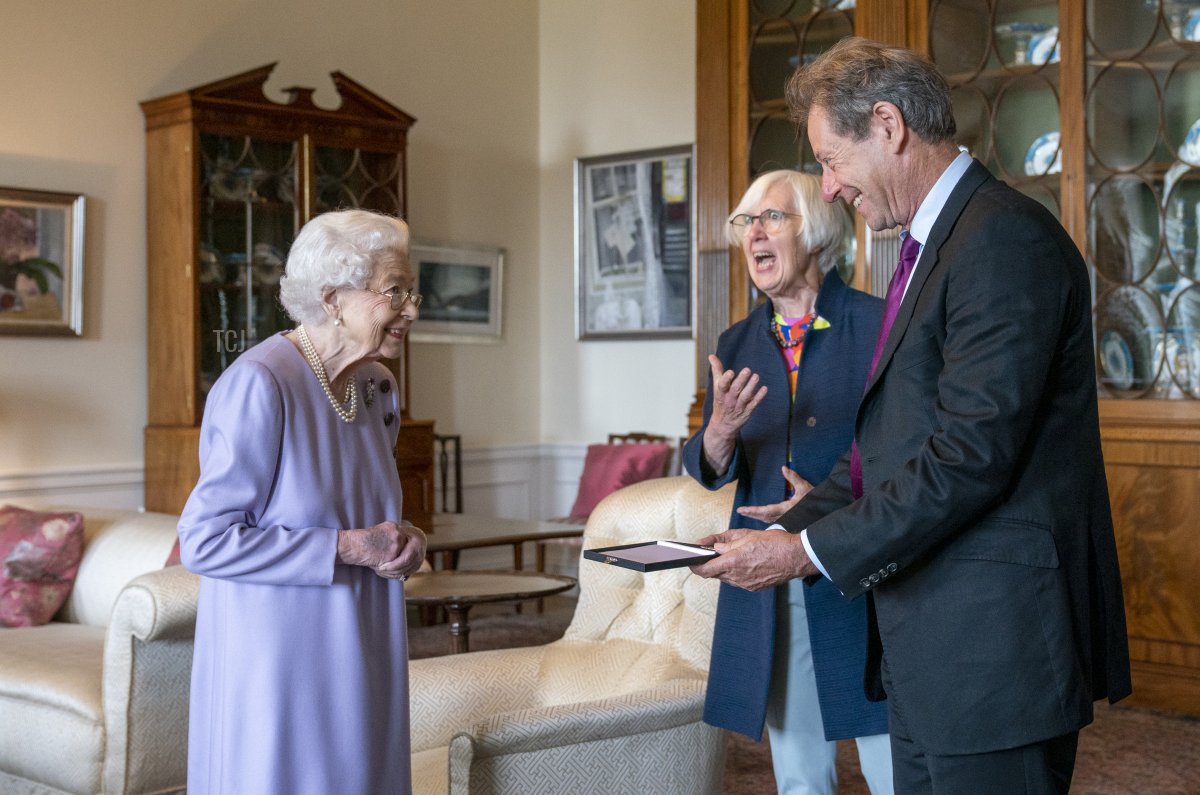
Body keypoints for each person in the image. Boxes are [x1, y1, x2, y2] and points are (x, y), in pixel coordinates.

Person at [691, 37, 1131, 794]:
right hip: (929, 651)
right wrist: (777, 530)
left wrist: (802, 554)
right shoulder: (931, 246)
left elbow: (966, 456)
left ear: (888, 125)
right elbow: (881, 453)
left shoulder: (1002, 238)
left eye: (831, 160)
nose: (827, 187)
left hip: (995, 656)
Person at [177, 209, 428, 794]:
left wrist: (404, 537)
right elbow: (204, 539)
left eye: (411, 292)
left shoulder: (376, 387)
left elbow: (360, 506)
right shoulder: (260, 383)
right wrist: (346, 547)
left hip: (363, 632)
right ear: (334, 297)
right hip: (280, 653)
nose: (411, 309)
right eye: (396, 292)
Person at [682, 169, 892, 794]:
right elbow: (706, 464)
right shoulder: (737, 341)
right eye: (747, 223)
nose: (755, 235)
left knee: (896, 771)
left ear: (819, 230)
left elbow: (903, 449)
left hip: (865, 575)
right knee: (800, 776)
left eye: (772, 218)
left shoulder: (880, 325)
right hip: (772, 581)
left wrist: (827, 502)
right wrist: (717, 431)